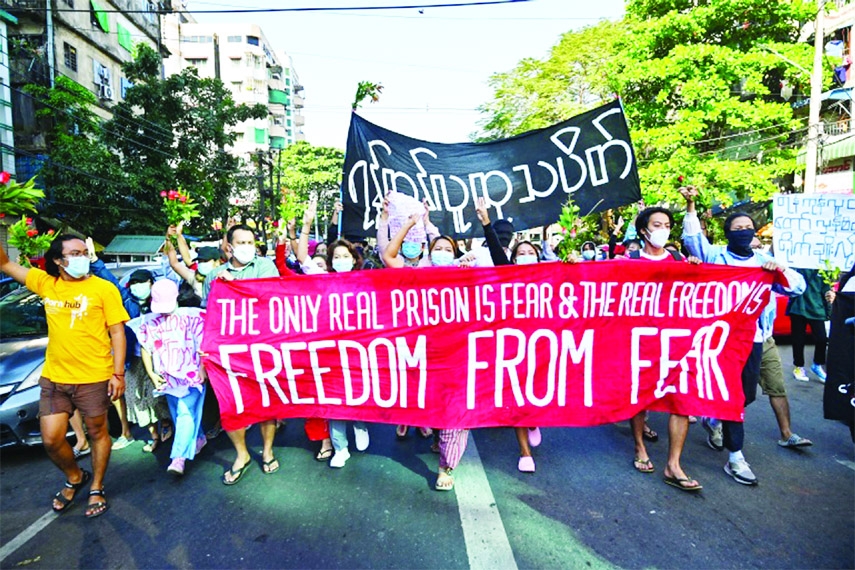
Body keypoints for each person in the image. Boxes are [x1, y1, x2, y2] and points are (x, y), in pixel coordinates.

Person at [681, 186, 806, 486]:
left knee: (746, 395)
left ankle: (714, 418)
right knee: (734, 397)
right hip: (721, 342)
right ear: (727, 234)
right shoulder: (715, 257)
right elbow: (692, 239)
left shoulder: (763, 262)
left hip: (754, 341)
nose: (744, 232)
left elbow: (797, 287)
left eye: (748, 228)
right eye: (737, 228)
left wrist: (779, 270)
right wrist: (690, 206)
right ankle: (736, 456)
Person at [0, 236, 128, 518]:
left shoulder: (103, 288)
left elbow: (117, 332)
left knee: (97, 432)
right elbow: (6, 263)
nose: (82, 257)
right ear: (58, 260)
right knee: (51, 439)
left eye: (84, 252)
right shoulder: (47, 284)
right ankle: (75, 476)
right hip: (55, 378)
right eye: (74, 253)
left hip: (94, 376)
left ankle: (96, 485)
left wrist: (118, 374)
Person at [621, 206, 704, 492]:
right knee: (640, 396)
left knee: (682, 399)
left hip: (677, 341)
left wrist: (694, 271)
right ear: (643, 230)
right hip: (640, 342)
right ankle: (640, 447)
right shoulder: (627, 261)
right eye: (657, 224)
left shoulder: (681, 260)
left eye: (667, 224)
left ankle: (674, 464)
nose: (663, 229)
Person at [201, 223, 280, 484]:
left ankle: (267, 450)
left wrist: (236, 287)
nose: (247, 247)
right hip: (227, 352)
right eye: (242, 242)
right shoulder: (214, 277)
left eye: (251, 242)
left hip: (261, 347)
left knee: (265, 404)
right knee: (230, 404)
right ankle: (242, 454)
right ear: (229, 246)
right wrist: (204, 354)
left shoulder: (264, 267)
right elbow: (208, 317)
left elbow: (271, 298)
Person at [295, 199, 369, 468]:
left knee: (358, 393)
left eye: (345, 257)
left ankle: (361, 422)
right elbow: (302, 257)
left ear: (354, 260)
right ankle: (341, 448)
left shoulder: (366, 283)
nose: (340, 260)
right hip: (327, 351)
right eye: (336, 257)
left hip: (358, 351)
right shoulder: (321, 278)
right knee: (334, 399)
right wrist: (305, 226)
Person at [476, 197, 544, 474]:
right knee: (517, 394)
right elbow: (495, 250)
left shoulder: (550, 276)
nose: (526, 256)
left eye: (531, 253)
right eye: (521, 253)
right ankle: (524, 452)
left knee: (535, 393)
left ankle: (533, 420)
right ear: (514, 259)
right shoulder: (509, 275)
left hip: (542, 345)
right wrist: (486, 223)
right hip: (513, 346)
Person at [129, 279, 207, 476]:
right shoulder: (149, 322)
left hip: (191, 375)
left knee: (185, 412)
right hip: (167, 377)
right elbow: (146, 349)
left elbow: (203, 346)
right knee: (177, 412)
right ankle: (199, 438)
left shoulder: (193, 317)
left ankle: (178, 458)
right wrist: (152, 374)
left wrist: (203, 369)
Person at [787, 268, 830, 383]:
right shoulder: (798, 266)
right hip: (798, 307)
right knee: (798, 339)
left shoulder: (824, 269)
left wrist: (828, 311)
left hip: (816, 308)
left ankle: (817, 365)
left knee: (822, 338)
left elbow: (826, 289)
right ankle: (798, 366)